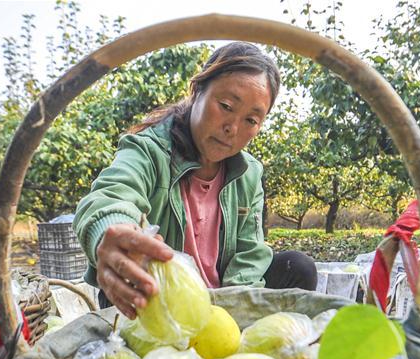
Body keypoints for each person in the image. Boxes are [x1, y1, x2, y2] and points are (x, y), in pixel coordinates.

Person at [74, 42, 317, 318]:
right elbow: (112, 195)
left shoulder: (249, 173)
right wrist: (113, 231)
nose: (232, 128)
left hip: (219, 302)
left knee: (298, 267)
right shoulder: (150, 150)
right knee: (125, 282)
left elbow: (250, 252)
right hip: (158, 297)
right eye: (226, 106)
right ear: (197, 91)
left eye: (251, 120)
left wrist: (234, 314)